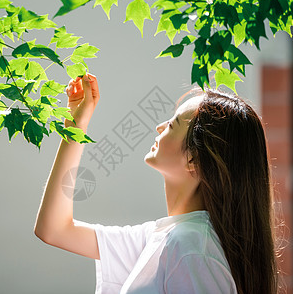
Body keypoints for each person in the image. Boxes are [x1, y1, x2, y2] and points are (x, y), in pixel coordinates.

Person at [34, 74, 279, 294]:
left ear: (193, 159)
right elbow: (53, 229)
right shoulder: (166, 238)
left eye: (172, 124)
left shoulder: (191, 249)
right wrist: (75, 127)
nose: (159, 127)